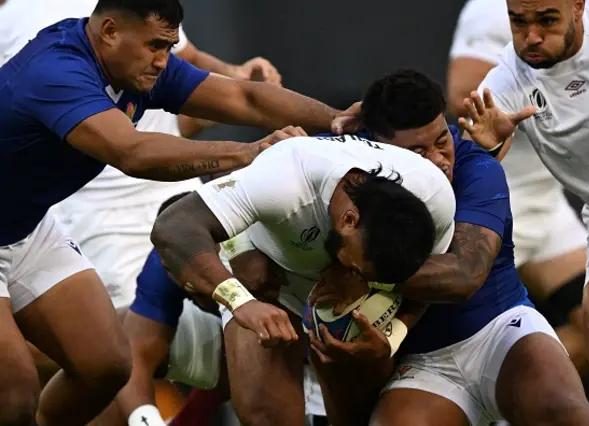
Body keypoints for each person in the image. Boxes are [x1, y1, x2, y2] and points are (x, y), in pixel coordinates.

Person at [0, 0, 357, 424]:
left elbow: (245, 97)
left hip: (25, 224)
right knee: (14, 389)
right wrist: (251, 153)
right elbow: (133, 153)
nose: (163, 61)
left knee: (108, 367)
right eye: (155, 45)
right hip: (95, 217)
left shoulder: (132, 60)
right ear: (110, 30)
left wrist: (344, 123)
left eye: (169, 46)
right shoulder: (56, 70)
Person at [307, 70, 589, 426]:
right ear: (378, 148)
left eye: (440, 141)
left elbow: (464, 276)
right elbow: (250, 103)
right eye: (417, 151)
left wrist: (362, 272)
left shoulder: (476, 168)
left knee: (565, 414)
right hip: (422, 364)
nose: (438, 160)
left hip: (499, 330)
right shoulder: (341, 173)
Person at [150, 134, 457, 426]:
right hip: (269, 283)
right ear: (349, 221)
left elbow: (430, 285)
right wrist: (239, 290)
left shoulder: (434, 198)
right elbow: (173, 226)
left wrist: (394, 334)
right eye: (358, 269)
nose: (357, 277)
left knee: (357, 420)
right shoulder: (285, 180)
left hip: (350, 309)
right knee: (264, 416)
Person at [469, 0, 589, 423]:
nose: (531, 37)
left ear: (578, 7)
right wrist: (486, 146)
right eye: (518, 21)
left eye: (547, 20)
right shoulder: (506, 80)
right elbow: (470, 164)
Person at [84, 191, 327, 426]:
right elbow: (135, 357)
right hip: (248, 340)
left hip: (322, 340)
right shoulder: (168, 258)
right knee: (113, 340)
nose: (187, 287)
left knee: (256, 365)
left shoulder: (265, 247)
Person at [447, 0, 589, 376]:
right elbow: (462, 93)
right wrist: (557, 87)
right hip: (497, 199)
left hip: (547, 203)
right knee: (449, 342)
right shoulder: (489, 9)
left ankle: (511, 400)